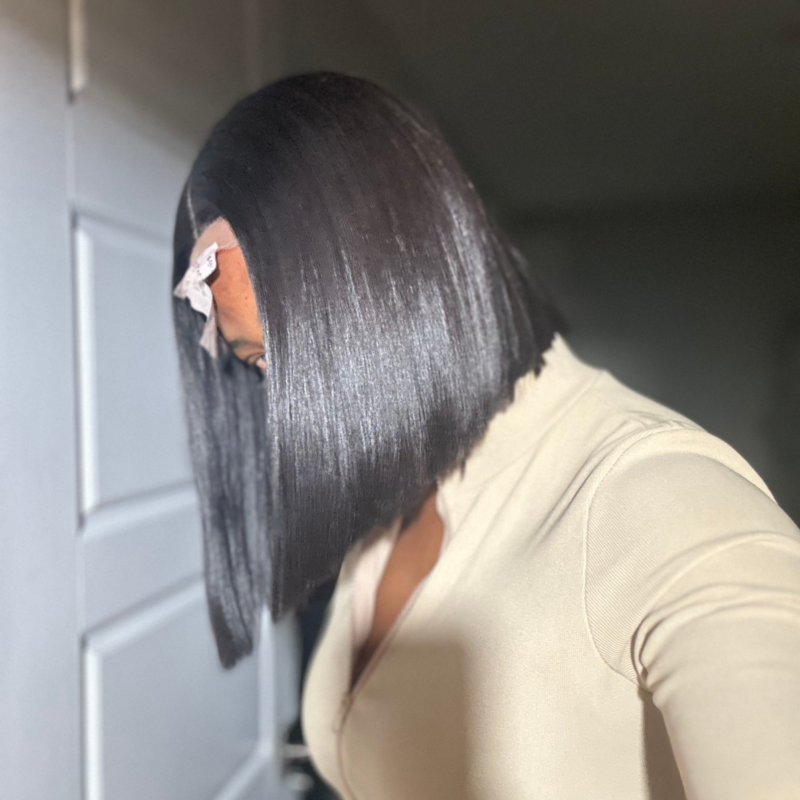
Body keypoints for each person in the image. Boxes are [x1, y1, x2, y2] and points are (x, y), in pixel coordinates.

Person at [171, 72, 800, 800]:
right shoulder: (392, 491)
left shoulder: (663, 499)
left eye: (309, 352)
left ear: (413, 278)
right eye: (258, 363)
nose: (288, 404)